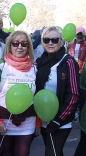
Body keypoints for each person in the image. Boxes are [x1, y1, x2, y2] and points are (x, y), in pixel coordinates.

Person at [0, 30, 40, 156]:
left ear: (28, 46)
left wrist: (38, 122)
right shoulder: (0, 66)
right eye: (15, 43)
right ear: (9, 45)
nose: (19, 47)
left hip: (27, 124)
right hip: (4, 125)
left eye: (24, 44)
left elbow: (37, 98)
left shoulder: (34, 68)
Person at [35, 26, 79, 156]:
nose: (50, 43)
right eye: (46, 39)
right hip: (43, 118)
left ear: (61, 42)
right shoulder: (40, 62)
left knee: (52, 153)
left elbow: (74, 95)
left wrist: (58, 120)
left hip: (60, 121)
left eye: (54, 40)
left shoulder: (68, 62)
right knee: (54, 152)